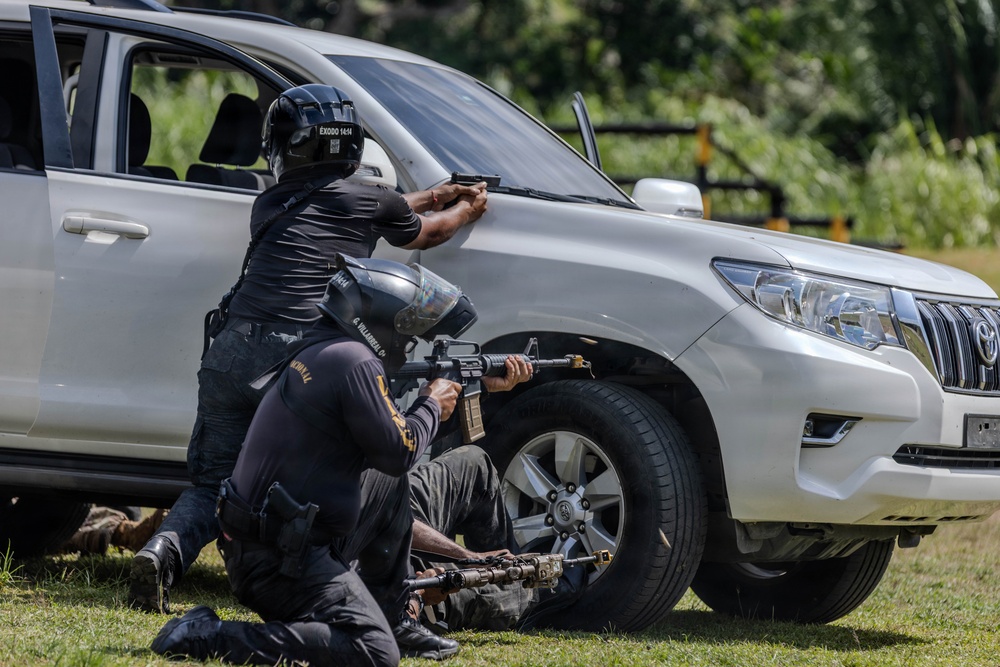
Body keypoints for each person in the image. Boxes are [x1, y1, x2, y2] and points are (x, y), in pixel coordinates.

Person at [129, 84, 488, 614]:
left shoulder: (272, 201)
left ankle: (162, 553)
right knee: (330, 473)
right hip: (299, 358)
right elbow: (424, 234)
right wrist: (465, 207)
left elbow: (344, 203)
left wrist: (430, 194)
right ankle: (345, 582)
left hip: (232, 348)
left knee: (213, 480)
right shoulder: (368, 198)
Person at [149, 256, 501, 665]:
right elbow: (402, 448)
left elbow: (391, 448)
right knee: (374, 652)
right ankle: (208, 635)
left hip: (277, 542)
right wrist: (428, 403)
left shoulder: (327, 350)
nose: (410, 341)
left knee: (388, 482)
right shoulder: (354, 362)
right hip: (281, 562)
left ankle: (394, 613)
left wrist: (442, 403)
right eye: (405, 328)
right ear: (378, 322)